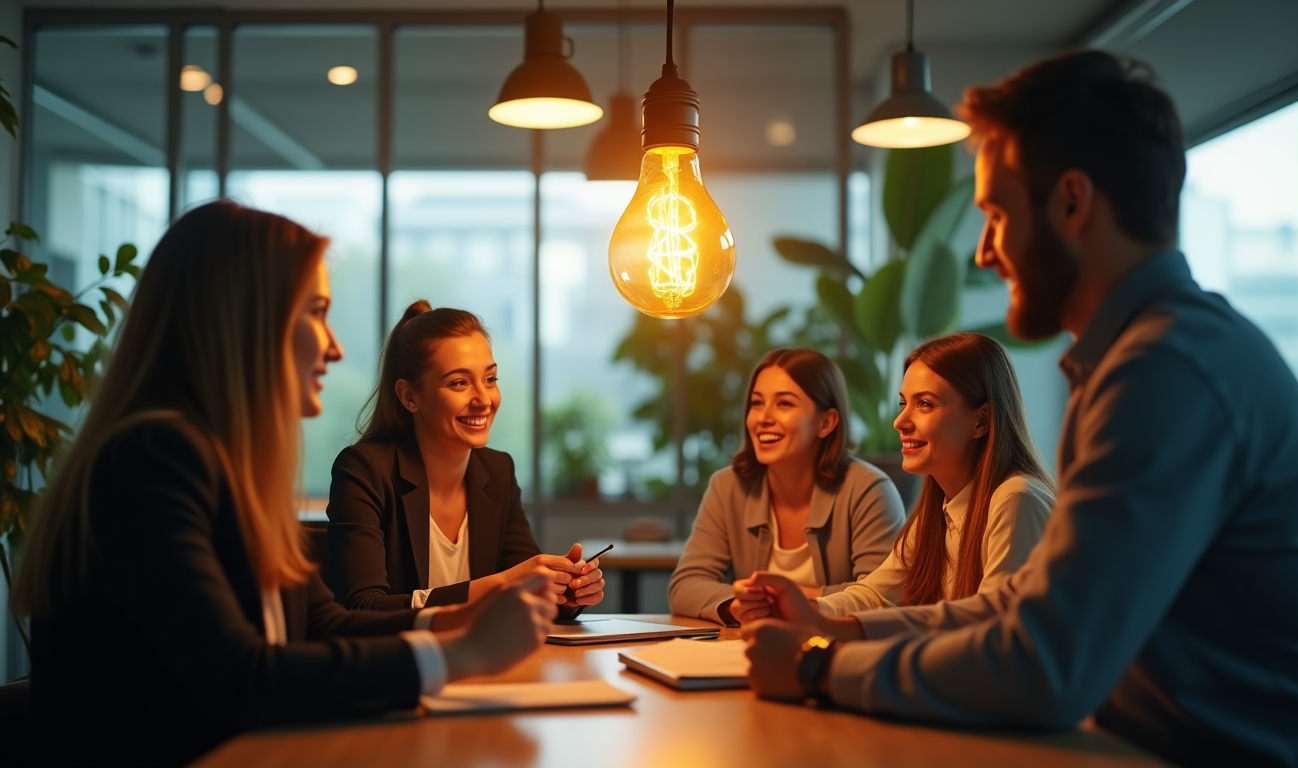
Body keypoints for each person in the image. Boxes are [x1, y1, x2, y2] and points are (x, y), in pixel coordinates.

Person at [741, 50, 1298, 768]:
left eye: (996, 213)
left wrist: (817, 668)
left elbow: (1047, 666)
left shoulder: (1168, 368)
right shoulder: (1147, 353)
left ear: (1070, 202)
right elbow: (1024, 604)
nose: (987, 252)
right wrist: (838, 635)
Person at [11, 202, 556, 767]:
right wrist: (460, 655)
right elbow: (238, 677)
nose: (335, 346)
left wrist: (467, 616)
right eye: (316, 312)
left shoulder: (227, 464)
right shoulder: (154, 458)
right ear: (243, 319)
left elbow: (325, 625)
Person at [730, 332, 1054, 624]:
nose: (900, 421)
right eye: (903, 403)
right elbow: (875, 595)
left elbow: (992, 629)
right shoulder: (939, 511)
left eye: (925, 404)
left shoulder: (1016, 499)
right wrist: (805, 611)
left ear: (981, 421)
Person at [325, 302, 604, 618]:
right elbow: (362, 607)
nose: (483, 400)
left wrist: (566, 593)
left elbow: (528, 592)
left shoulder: (497, 471)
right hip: (403, 664)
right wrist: (507, 583)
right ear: (409, 397)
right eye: (459, 382)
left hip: (482, 662)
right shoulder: (363, 470)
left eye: (490, 379)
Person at [668, 347, 904, 624]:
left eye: (784, 404)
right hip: (756, 649)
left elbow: (883, 597)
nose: (764, 418)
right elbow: (685, 585)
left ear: (826, 422)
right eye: (757, 403)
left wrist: (792, 597)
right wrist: (736, 604)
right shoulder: (727, 486)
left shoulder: (868, 489)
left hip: (838, 655)